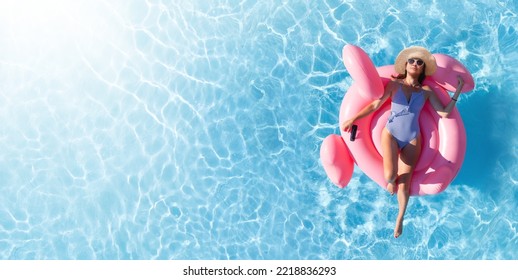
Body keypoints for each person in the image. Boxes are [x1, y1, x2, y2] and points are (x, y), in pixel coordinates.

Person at [340, 46, 465, 238]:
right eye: (412, 61)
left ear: (423, 69)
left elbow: (443, 112)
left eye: (419, 62)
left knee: (404, 183)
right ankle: (391, 181)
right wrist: (353, 119)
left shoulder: (426, 91)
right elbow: (375, 105)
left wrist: (456, 91)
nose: (415, 64)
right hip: (390, 133)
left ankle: (400, 218)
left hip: (413, 139)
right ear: (405, 66)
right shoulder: (394, 85)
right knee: (390, 177)